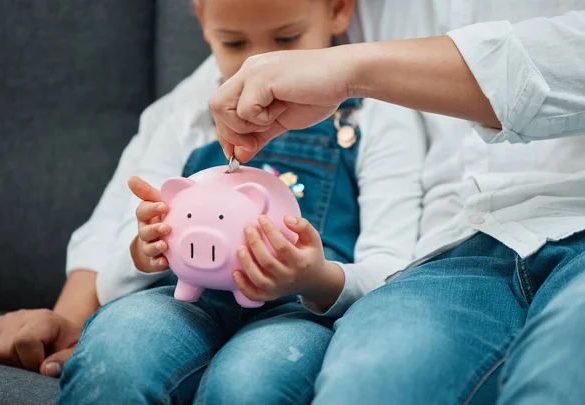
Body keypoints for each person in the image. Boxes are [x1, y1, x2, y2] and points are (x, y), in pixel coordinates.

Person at [0, 0, 426, 403]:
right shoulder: (186, 115)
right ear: (202, 23)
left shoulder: (379, 116)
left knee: (251, 384)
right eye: (234, 43)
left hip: (298, 313)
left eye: (287, 39)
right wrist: (146, 249)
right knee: (120, 351)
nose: (260, 67)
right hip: (177, 297)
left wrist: (315, 278)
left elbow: (390, 267)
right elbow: (120, 254)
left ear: (337, 9)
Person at [209, 2, 585, 404]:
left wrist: (349, 71)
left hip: (574, 222)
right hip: (446, 253)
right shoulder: (363, 11)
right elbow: (254, 46)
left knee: (561, 369)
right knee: (366, 388)